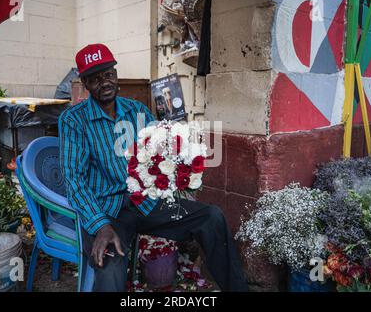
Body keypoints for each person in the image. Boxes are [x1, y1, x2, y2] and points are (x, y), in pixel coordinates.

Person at [59, 43, 248, 292]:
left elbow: (162, 151)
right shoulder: (74, 120)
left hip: (145, 203)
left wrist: (180, 168)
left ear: (116, 74)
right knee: (109, 263)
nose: (104, 82)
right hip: (107, 211)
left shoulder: (137, 110)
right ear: (84, 83)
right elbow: (74, 180)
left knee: (211, 217)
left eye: (108, 74)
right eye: (94, 78)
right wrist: (100, 226)